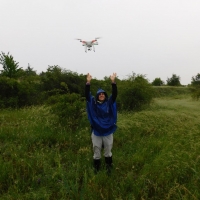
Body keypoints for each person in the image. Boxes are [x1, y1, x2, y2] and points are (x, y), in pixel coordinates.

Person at [85, 72, 117, 174]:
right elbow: (87, 95)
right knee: (96, 150)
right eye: (100, 94)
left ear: (105, 95)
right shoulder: (93, 104)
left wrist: (113, 82)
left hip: (108, 131)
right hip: (97, 132)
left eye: (103, 94)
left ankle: (108, 169)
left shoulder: (109, 103)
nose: (102, 95)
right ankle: (96, 169)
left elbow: (115, 94)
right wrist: (88, 82)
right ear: (97, 96)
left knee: (108, 150)